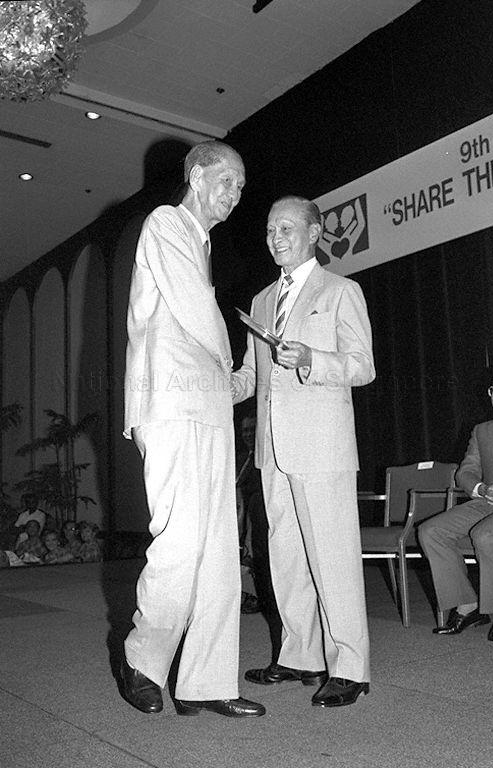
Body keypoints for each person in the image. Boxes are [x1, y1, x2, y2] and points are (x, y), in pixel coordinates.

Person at [121, 140, 264, 719]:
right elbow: (196, 310)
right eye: (228, 180)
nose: (234, 195)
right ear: (197, 173)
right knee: (181, 540)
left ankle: (206, 681)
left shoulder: (200, 241)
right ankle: (143, 660)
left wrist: (235, 380)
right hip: (173, 404)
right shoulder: (166, 224)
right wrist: (232, 371)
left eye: (240, 188)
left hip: (207, 408)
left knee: (218, 550)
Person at [231, 195, 375, 708]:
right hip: (273, 450)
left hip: (323, 447)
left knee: (332, 559)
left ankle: (351, 667)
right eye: (271, 229)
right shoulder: (264, 300)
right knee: (286, 558)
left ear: (315, 233)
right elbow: (252, 376)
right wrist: (216, 384)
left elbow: (362, 366)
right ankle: (299, 655)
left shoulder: (341, 291)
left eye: (286, 228)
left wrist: (314, 357)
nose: (275, 237)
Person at [419, 368, 493, 643]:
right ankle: (467, 605)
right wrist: (482, 488)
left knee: (486, 534)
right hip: (488, 501)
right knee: (431, 531)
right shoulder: (482, 430)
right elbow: (465, 472)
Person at [236, 415, 283, 657]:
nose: (247, 434)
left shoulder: (269, 461)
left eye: (252, 429)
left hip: (265, 534)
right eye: (244, 429)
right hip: (245, 533)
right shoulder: (244, 461)